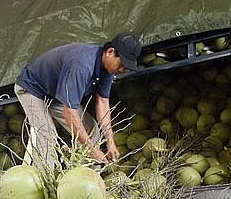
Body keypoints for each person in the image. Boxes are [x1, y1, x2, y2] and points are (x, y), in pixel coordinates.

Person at [14, 32, 142, 169]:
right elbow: (69, 112)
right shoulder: (81, 65)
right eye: (121, 64)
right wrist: (92, 150)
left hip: (54, 94)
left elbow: (103, 103)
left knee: (92, 130)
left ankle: (89, 180)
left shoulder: (107, 70)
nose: (122, 69)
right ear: (110, 52)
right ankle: (43, 182)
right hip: (32, 89)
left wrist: (110, 141)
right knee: (47, 136)